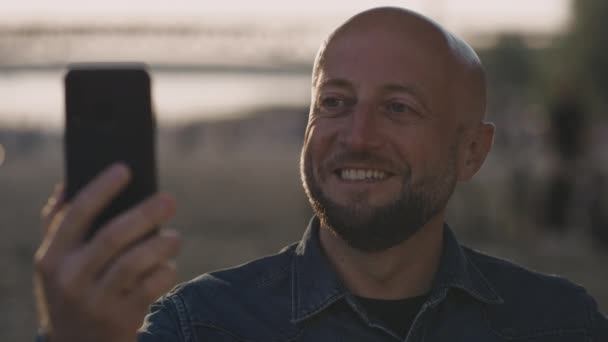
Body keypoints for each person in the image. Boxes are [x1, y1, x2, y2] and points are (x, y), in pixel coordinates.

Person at [34, 7, 608, 342]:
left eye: (398, 108)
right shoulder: (198, 324)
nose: (355, 137)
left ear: (472, 152)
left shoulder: (558, 322)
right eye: (334, 102)